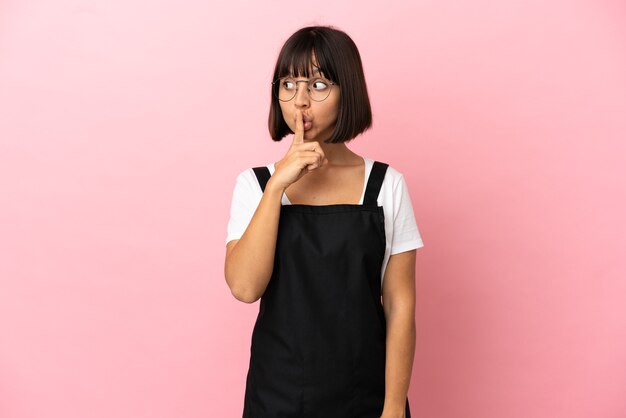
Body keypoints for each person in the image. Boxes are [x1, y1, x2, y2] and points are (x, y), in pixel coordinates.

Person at [224, 25, 424, 418]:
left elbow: (400, 306)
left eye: (317, 85)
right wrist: (279, 183)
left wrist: (392, 407)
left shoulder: (385, 186)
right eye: (288, 84)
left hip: (362, 397)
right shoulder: (255, 185)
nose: (300, 101)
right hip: (275, 396)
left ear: (347, 90)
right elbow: (245, 287)